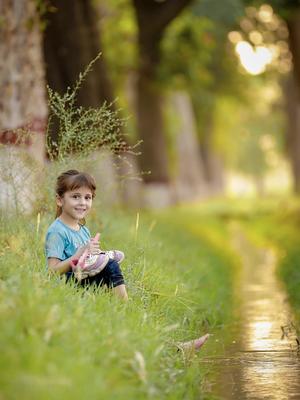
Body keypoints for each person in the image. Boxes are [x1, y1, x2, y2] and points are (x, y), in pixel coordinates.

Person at [45, 169, 128, 300]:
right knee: (110, 265)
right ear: (60, 200)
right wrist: (77, 256)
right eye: (75, 196)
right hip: (67, 283)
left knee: (109, 265)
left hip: (82, 275)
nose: (82, 202)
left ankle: (109, 300)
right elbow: (52, 272)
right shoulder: (57, 231)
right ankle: (125, 305)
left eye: (87, 197)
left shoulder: (83, 230)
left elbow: (85, 259)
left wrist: (93, 254)